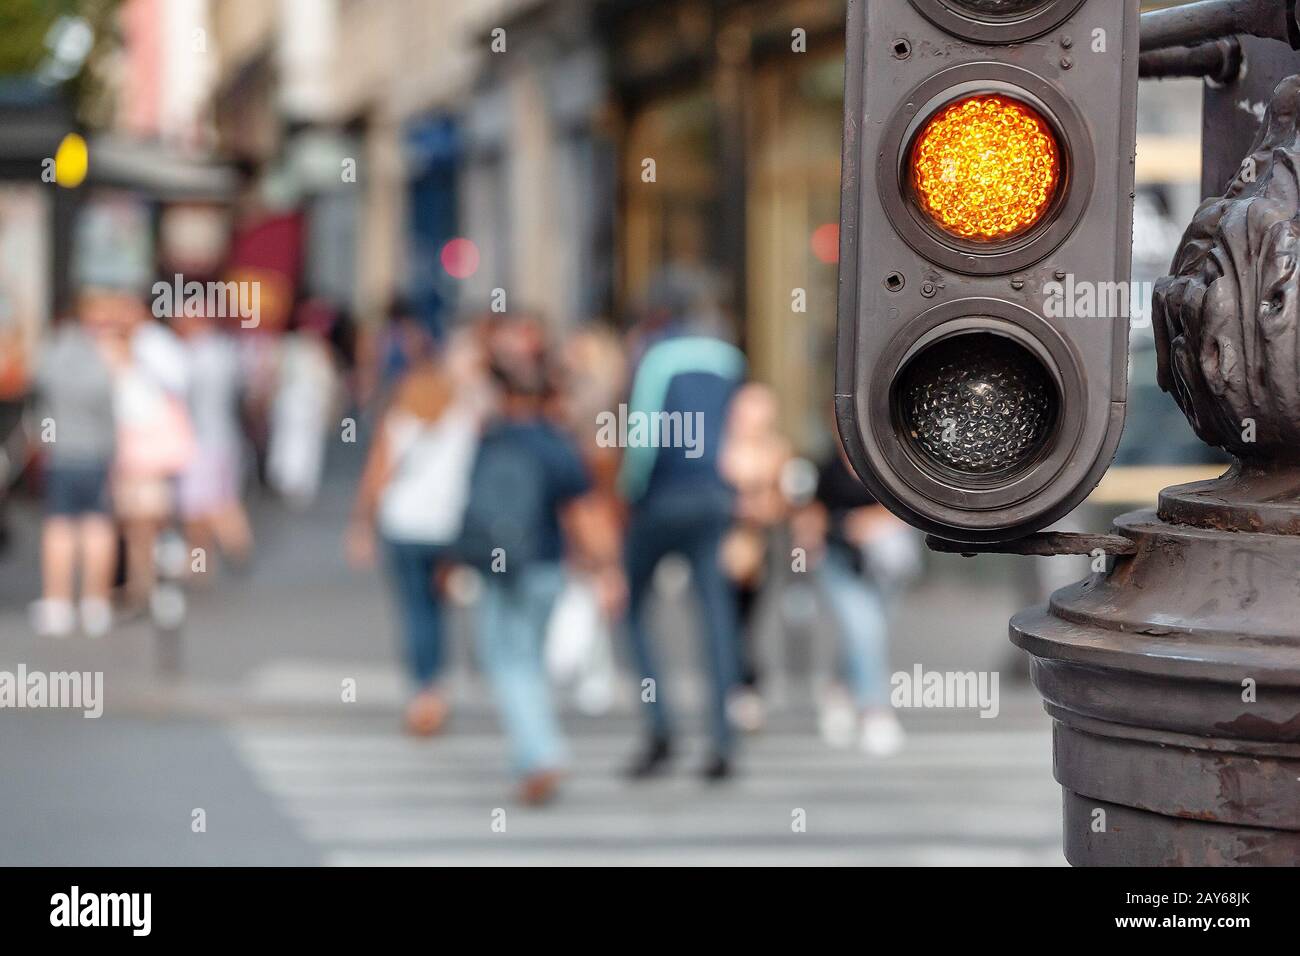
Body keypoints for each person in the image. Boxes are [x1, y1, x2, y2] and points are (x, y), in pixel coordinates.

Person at [460, 315, 600, 805]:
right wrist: (602, 567)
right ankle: (531, 755)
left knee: (509, 663)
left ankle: (541, 754)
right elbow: (583, 513)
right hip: (545, 565)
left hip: (499, 567)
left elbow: (469, 506)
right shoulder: (556, 446)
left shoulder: (491, 439)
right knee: (529, 663)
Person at [620, 269, 746, 781]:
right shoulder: (727, 358)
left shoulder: (656, 356)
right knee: (715, 615)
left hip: (662, 498)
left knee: (633, 609)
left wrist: (629, 492)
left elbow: (643, 435)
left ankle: (660, 726)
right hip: (714, 496)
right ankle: (721, 738)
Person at [347, 327, 487, 735]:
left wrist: (362, 526)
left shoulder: (400, 420)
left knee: (414, 610)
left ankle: (423, 692)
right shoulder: (463, 420)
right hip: (448, 526)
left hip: (404, 525)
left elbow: (377, 476)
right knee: (438, 608)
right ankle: (436, 689)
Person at [793, 439, 907, 757]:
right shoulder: (826, 467)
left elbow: (908, 510)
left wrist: (872, 522)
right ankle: (875, 711)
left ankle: (837, 689)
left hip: (886, 564)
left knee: (868, 632)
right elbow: (809, 515)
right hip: (839, 562)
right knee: (864, 629)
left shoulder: (893, 461)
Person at [29, 290, 119, 637]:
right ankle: (95, 604)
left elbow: (41, 402)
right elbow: (109, 411)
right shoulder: (102, 358)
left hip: (61, 453)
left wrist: (47, 444)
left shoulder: (52, 354)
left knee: (60, 528)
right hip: (94, 453)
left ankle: (58, 604)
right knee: (97, 527)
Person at [111, 295, 194, 613]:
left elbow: (177, 383)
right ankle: (138, 582)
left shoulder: (155, 344)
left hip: (150, 448)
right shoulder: (119, 343)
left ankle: (151, 583)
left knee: (148, 519)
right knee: (133, 522)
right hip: (129, 448)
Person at [175, 310, 252, 575]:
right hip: (225, 437)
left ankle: (203, 560)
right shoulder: (226, 352)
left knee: (198, 507)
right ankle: (231, 547)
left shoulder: (194, 357)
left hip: (201, 442)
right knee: (223, 498)